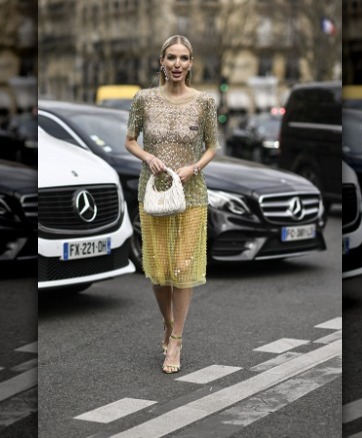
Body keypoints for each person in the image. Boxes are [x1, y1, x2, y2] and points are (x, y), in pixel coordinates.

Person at [124, 35, 218, 374]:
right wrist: (148, 156)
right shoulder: (144, 100)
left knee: (182, 266)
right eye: (171, 58)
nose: (177, 64)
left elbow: (212, 146)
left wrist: (195, 167)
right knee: (160, 270)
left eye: (183, 58)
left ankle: (176, 339)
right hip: (153, 192)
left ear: (191, 63)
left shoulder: (204, 101)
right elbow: (130, 140)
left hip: (191, 193)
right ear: (161, 62)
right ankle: (168, 321)